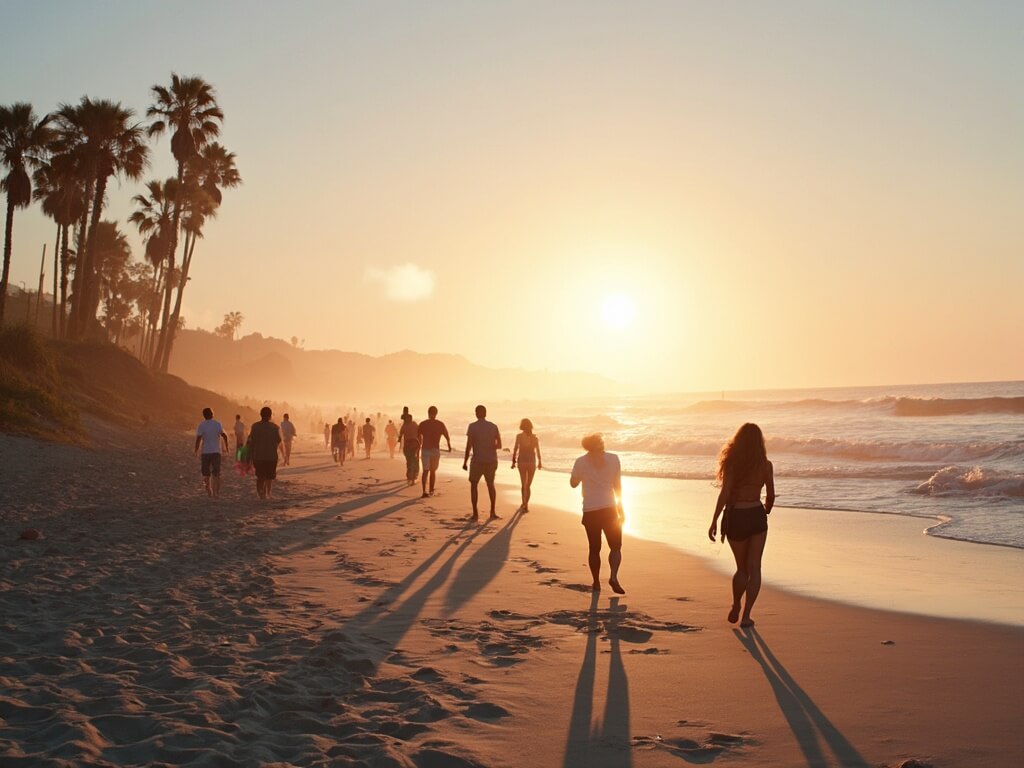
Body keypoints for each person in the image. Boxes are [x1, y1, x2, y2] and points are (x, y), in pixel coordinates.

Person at [708, 422, 775, 628]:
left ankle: (736, 603)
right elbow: (770, 496)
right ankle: (746, 615)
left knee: (741, 569)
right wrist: (765, 510)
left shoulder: (732, 464)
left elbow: (725, 493)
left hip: (737, 515)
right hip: (756, 515)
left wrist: (714, 520)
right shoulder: (765, 465)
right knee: (755, 569)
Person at [570, 433, 625, 594]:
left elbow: (573, 484)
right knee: (615, 547)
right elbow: (617, 486)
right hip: (610, 508)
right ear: (601, 443)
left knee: (594, 549)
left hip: (590, 510)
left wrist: (579, 476)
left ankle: (596, 582)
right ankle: (613, 577)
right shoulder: (614, 459)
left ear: (585, 446)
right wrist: (621, 509)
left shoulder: (580, 462)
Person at [462, 404, 501, 521]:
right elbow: (499, 445)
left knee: (474, 485)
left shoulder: (472, 427)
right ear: (485, 413)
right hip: (491, 460)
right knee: (491, 485)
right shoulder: (493, 426)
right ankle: (492, 512)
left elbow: (469, 445)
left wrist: (465, 461)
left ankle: (475, 514)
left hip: (477, 460)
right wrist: (489, 445)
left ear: (476, 413)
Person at [246, 406, 282, 499]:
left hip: (258, 456)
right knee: (269, 477)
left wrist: (248, 457)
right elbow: (278, 441)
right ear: (270, 416)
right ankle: (267, 493)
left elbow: (250, 442)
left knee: (260, 476)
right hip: (271, 456)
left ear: (260, 415)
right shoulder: (275, 427)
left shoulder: (255, 426)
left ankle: (261, 494)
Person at [418, 405, 452, 498]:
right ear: (436, 414)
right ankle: (431, 490)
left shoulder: (423, 424)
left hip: (425, 449)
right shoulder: (440, 424)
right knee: (432, 471)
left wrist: (419, 445)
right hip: (434, 450)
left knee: (426, 471)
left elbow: (418, 436)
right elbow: (446, 435)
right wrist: (449, 446)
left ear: (428, 413)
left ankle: (424, 491)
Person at [194, 407, 229, 498]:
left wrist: (196, 450)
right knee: (216, 473)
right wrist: (226, 446)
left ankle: (209, 490)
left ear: (204, 415)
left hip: (205, 452)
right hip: (216, 452)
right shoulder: (217, 424)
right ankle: (215, 492)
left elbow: (198, 439)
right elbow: (224, 435)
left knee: (206, 473)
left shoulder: (202, 425)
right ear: (212, 414)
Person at [511, 418, 542, 512]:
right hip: (532, 462)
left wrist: (513, 461)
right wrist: (540, 462)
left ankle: (524, 503)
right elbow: (538, 451)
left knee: (523, 484)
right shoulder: (535, 438)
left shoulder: (519, 436)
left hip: (522, 462)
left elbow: (515, 448)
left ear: (522, 426)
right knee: (528, 485)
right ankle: (526, 504)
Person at [398, 412, 420, 485]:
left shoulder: (405, 425)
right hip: (414, 444)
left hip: (409, 445)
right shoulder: (414, 424)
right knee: (414, 461)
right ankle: (413, 477)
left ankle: (411, 477)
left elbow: (400, 434)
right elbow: (420, 434)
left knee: (410, 461)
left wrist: (399, 441)